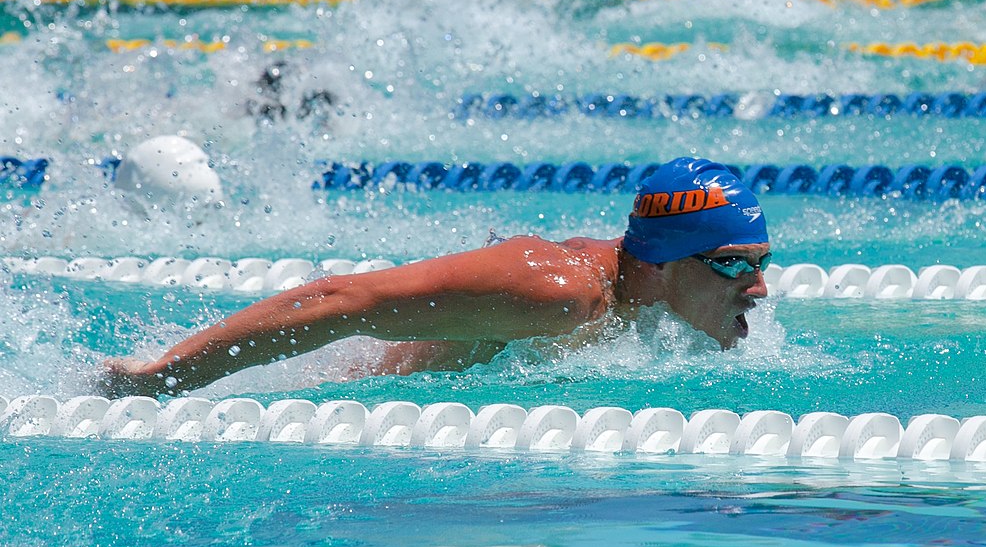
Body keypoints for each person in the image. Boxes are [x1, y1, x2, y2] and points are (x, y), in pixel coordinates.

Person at [104, 157, 771, 397]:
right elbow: (345, 299)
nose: (759, 288)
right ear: (659, 262)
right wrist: (166, 375)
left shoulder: (659, 306)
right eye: (737, 264)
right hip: (357, 398)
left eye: (764, 264)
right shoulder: (560, 292)